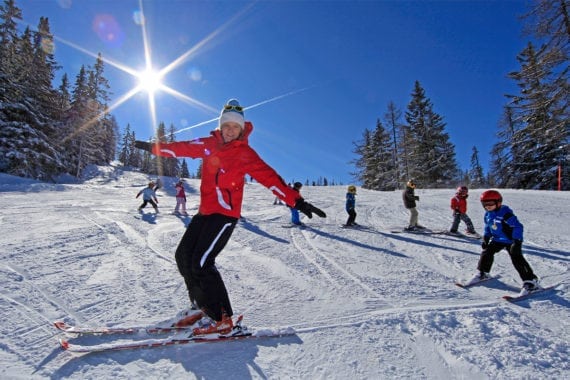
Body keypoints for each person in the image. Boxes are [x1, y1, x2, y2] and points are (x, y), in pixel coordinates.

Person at [134, 99, 326, 335]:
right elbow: (181, 148)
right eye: (227, 125)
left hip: (225, 215)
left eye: (236, 127)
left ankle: (223, 318)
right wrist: (154, 148)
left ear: (242, 130)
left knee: (202, 262)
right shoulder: (208, 145)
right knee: (183, 256)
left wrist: (296, 201)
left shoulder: (244, 153)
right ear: (221, 126)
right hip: (205, 213)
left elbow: (270, 178)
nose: (231, 130)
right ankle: (201, 308)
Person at [468, 190, 540, 296]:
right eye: (485, 204)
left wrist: (517, 241)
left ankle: (531, 281)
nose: (488, 206)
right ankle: (483, 273)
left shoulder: (506, 214)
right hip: (497, 240)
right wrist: (486, 237)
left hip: (511, 241)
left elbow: (518, 226)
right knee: (486, 252)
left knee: (517, 258)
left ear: (499, 202)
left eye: (491, 204)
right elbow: (488, 226)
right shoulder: (487, 215)